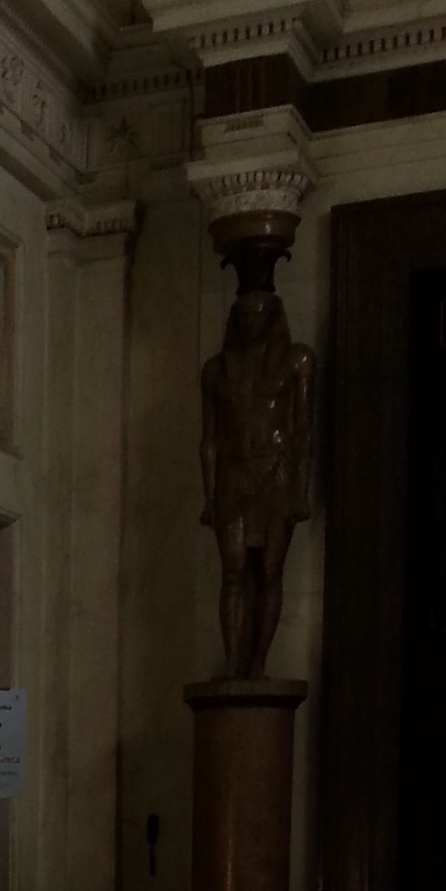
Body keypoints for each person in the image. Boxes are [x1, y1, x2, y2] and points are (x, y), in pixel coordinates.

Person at [199, 283, 314, 679]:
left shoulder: (296, 361)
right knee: (233, 569)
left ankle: (259, 662)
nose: (250, 322)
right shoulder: (216, 371)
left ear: (272, 316)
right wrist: (209, 497)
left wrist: (300, 490)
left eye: (258, 314)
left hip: (275, 470)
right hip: (234, 470)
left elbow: (302, 430)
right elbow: (210, 438)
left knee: (268, 570)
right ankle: (233, 665)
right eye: (243, 315)